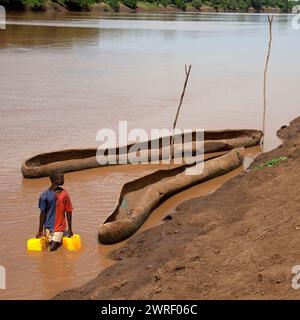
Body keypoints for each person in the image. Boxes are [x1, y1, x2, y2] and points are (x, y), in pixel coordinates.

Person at [36, 171, 73, 251]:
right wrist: (40, 230)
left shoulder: (65, 194)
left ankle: (62, 234)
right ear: (55, 180)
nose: (64, 179)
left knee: (52, 248)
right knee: (50, 244)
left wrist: (70, 229)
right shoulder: (44, 196)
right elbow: (43, 213)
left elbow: (69, 211)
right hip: (48, 227)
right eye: (62, 178)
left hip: (60, 227)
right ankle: (61, 237)